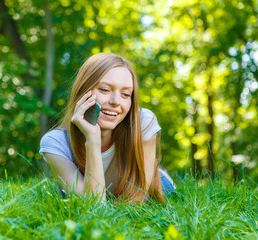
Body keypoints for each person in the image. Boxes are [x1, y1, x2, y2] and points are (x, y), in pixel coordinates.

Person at [39, 52, 175, 203]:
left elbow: (133, 206)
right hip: (94, 191)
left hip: (155, 184)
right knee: (60, 192)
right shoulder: (55, 143)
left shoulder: (143, 122)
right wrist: (92, 138)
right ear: (82, 91)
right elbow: (94, 207)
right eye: (104, 90)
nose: (116, 101)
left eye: (125, 94)